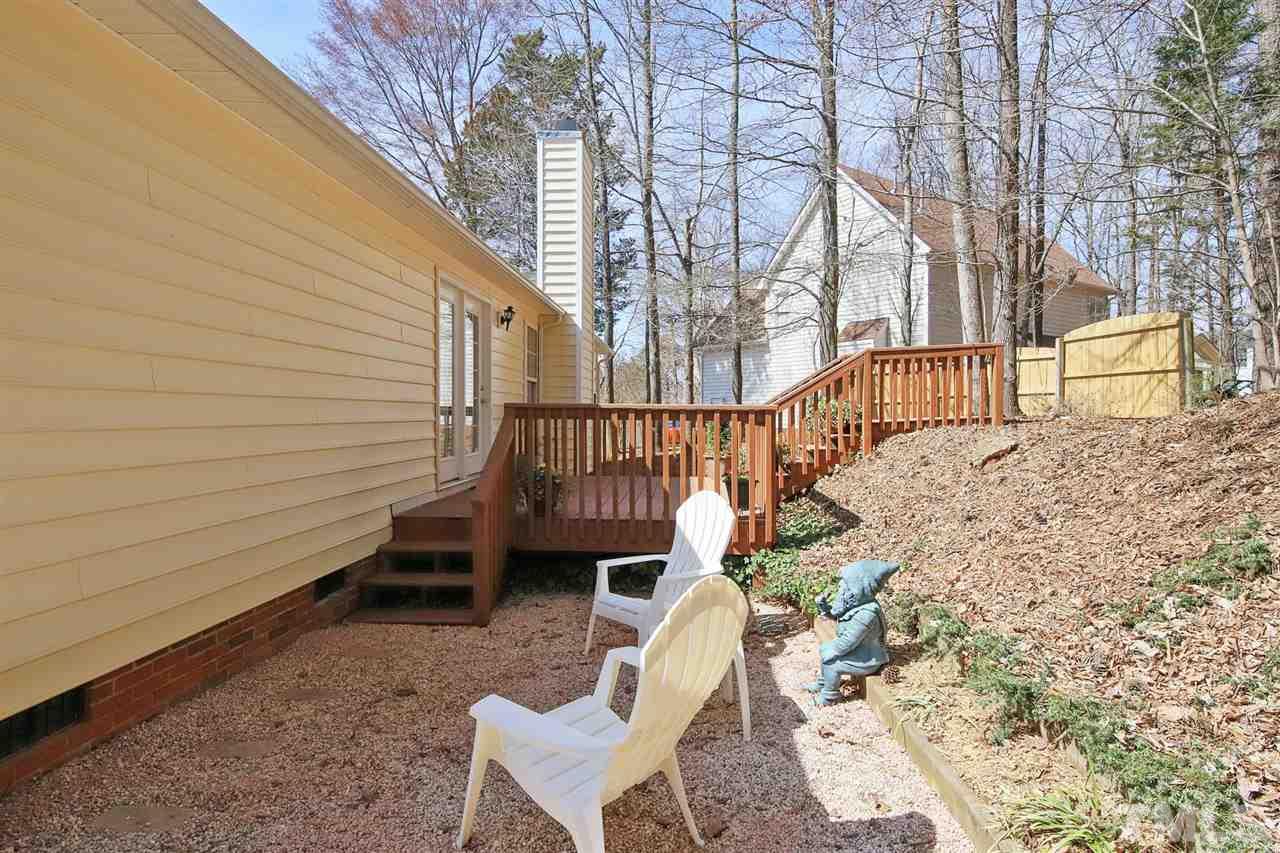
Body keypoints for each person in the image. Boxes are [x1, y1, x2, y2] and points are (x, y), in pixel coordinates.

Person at [803, 559, 901, 706]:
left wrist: (833, 651)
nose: (841, 590)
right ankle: (824, 682)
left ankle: (829, 697)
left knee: (831, 662)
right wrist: (824, 607)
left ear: (858, 589)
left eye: (845, 587)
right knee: (825, 650)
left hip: (868, 658)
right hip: (857, 649)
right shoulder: (857, 604)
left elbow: (849, 641)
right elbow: (836, 614)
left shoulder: (867, 614)